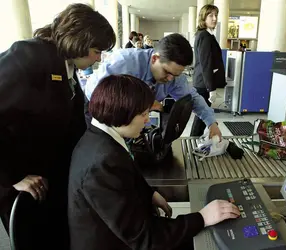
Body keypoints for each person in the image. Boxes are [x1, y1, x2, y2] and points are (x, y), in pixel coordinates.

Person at [68, 74, 240, 250]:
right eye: (143, 114)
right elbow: (145, 238)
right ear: (122, 114)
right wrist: (202, 217)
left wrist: (149, 194)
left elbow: (126, 178)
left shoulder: (102, 137)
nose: (147, 120)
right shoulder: (102, 163)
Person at [0, 3, 115, 247]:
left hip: (52, 177)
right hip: (24, 181)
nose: (98, 58)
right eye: (96, 50)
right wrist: (12, 176)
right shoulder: (29, 56)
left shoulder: (68, 67)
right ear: (78, 41)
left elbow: (75, 122)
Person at [85, 33, 223, 139]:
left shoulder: (174, 77)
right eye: (167, 72)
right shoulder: (123, 63)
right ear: (154, 58)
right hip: (100, 119)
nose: (170, 79)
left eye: (175, 75)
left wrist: (211, 123)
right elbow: (94, 93)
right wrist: (138, 103)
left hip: (132, 125)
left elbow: (192, 98)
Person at [190, 4, 227, 137]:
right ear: (203, 18)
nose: (214, 18)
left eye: (216, 15)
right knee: (202, 117)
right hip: (204, 84)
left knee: (201, 116)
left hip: (202, 82)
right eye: (210, 15)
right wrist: (211, 88)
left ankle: (193, 140)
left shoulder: (206, 35)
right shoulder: (205, 36)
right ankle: (193, 141)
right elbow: (206, 64)